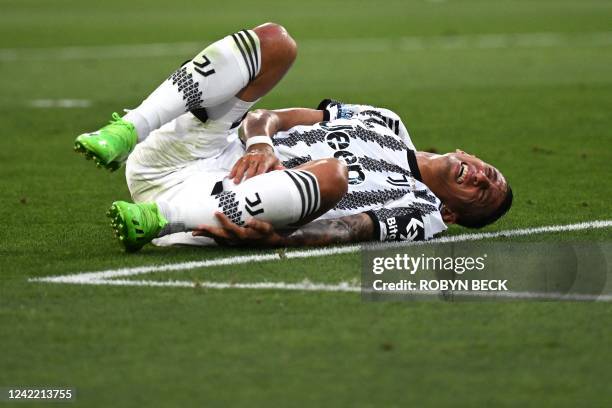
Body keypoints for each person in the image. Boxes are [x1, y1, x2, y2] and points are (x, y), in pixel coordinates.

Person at [74, 23, 512, 252]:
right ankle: (127, 129)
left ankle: (156, 219)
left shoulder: (424, 212)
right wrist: (261, 143)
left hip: (217, 208)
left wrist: (280, 240)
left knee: (333, 175)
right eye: (488, 173)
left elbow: (352, 229)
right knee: (277, 43)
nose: (479, 178)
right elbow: (269, 117)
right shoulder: (385, 121)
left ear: (452, 214)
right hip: (194, 153)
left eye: (481, 193)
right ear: (469, 154)